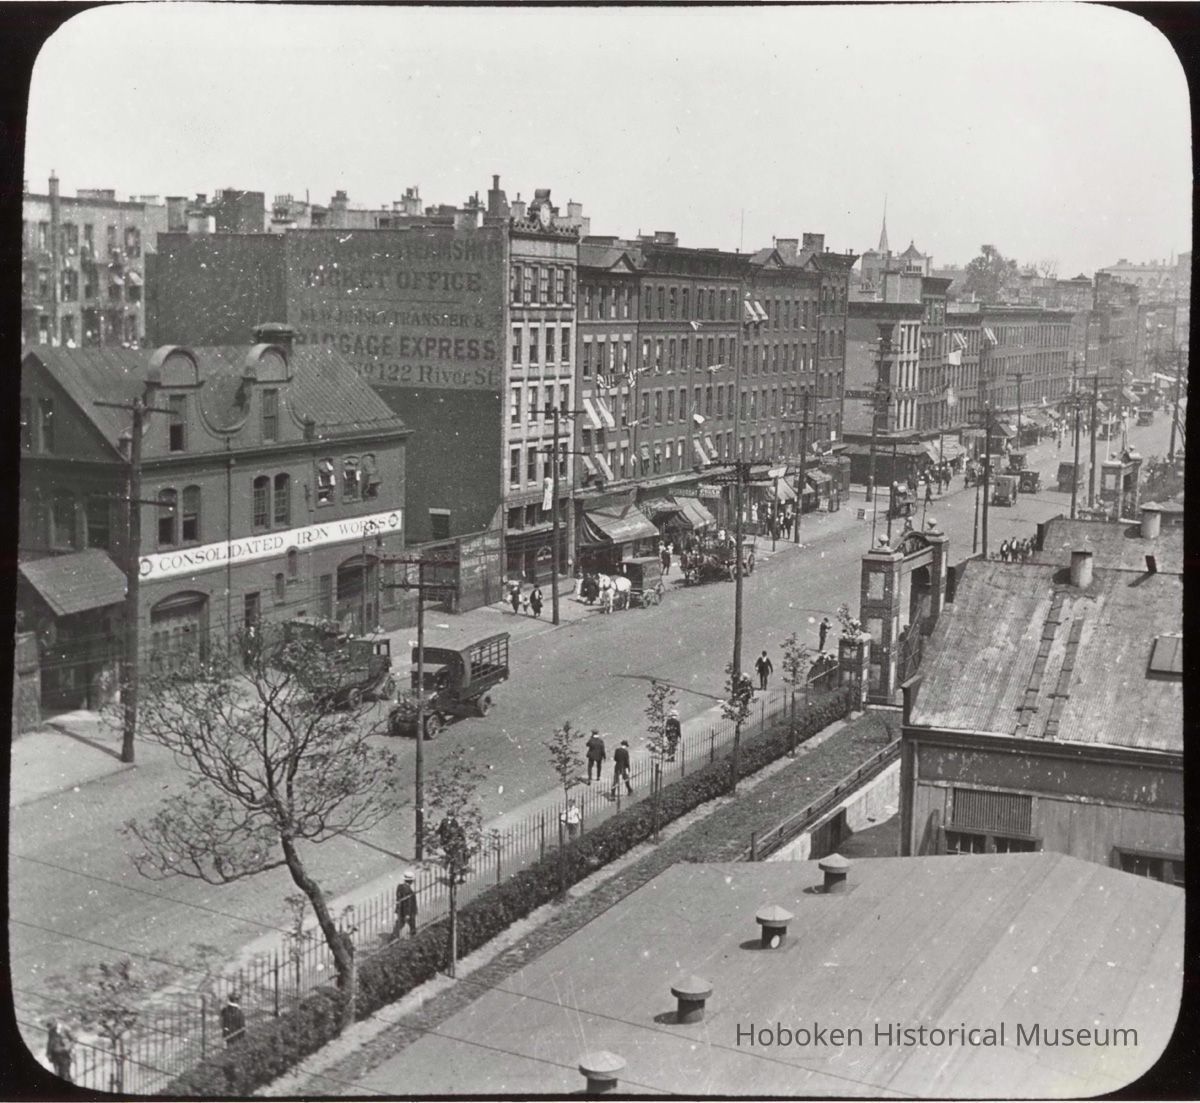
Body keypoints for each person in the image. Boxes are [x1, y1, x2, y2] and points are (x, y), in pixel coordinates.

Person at [391, 870, 418, 940]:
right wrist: (407, 914)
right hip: (408, 911)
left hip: (400, 909)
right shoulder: (407, 890)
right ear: (411, 881)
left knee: (400, 924)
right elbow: (407, 903)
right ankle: (413, 938)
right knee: (412, 925)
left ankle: (394, 937)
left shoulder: (400, 887)